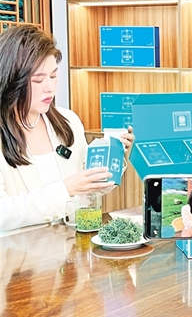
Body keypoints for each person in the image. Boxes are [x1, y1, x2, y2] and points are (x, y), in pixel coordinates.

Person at [0, 25, 134, 234]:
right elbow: (3, 213)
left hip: (71, 245)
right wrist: (65, 190)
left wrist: (113, 157)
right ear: (12, 79)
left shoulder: (68, 122)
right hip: (18, 253)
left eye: (53, 76)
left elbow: (89, 187)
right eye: (38, 80)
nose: (50, 87)